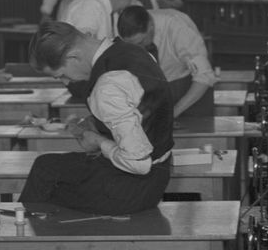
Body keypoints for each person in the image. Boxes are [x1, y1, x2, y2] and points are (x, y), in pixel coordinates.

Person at [21, 20, 174, 218]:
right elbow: (141, 111)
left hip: (133, 187)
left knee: (44, 180)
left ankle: (25, 234)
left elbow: (139, 164)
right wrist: (96, 123)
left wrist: (97, 140)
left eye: (61, 75)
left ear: (74, 56)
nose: (66, 82)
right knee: (45, 166)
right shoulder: (135, 52)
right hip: (160, 172)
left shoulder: (106, 86)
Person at [117, 4, 216, 118]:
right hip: (158, 92)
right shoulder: (131, 25)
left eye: (141, 42)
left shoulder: (178, 27)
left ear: (150, 26)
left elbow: (204, 76)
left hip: (189, 91)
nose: (138, 49)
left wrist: (174, 112)